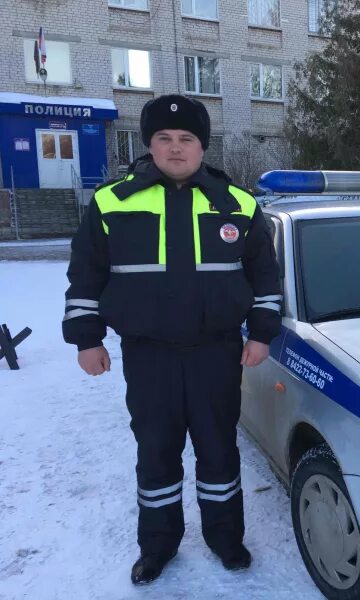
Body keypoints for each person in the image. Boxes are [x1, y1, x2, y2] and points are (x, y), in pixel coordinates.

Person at [62, 94, 282, 584]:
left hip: (216, 352)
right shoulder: (112, 202)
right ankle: (158, 545)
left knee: (219, 451)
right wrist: (86, 339)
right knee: (156, 451)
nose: (176, 148)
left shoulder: (238, 204)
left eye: (187, 139)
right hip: (149, 355)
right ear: (149, 144)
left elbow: (265, 278)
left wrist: (262, 334)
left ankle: (226, 539)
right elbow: (86, 276)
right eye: (165, 138)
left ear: (203, 147)